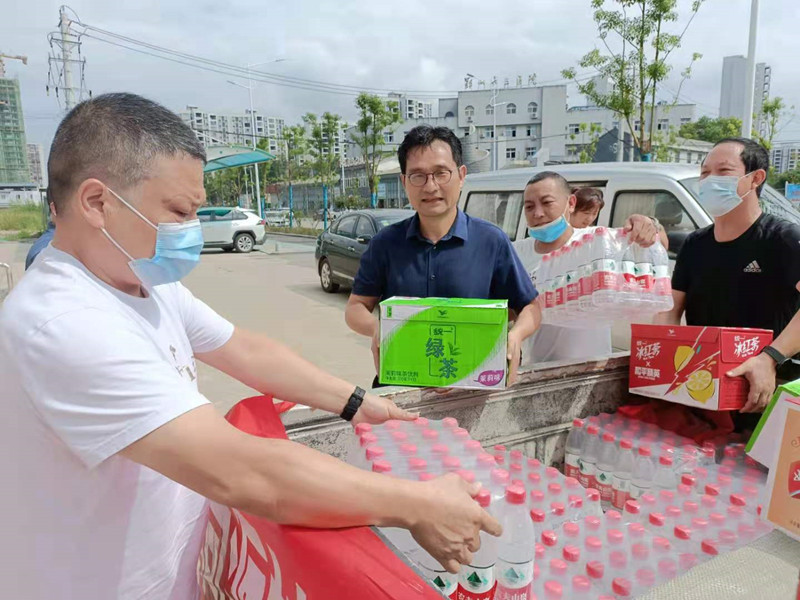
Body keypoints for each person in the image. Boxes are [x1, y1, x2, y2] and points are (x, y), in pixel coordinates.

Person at [0, 94, 501, 599]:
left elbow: (245, 351)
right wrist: (418, 503)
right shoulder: (64, 324)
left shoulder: (142, 283)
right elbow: (245, 472)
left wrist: (355, 402)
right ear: (96, 202)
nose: (191, 231)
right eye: (178, 212)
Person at [345, 125, 541, 387]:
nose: (431, 186)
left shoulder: (491, 241)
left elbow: (530, 308)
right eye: (418, 176)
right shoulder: (385, 243)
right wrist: (378, 329)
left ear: (461, 175)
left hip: (471, 386)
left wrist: (515, 336)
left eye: (440, 173)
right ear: (404, 182)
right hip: (402, 387)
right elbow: (355, 307)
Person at [656, 137, 800, 418]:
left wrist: (770, 358)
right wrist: (663, 354)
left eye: (723, 171)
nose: (710, 181)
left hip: (768, 391)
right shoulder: (695, 244)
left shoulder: (784, 239)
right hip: (704, 389)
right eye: (705, 173)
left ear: (755, 178)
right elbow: (670, 311)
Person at [513, 171, 666, 364]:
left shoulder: (596, 242)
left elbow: (654, 245)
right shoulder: (517, 253)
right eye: (529, 207)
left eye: (547, 202)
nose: (538, 213)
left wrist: (648, 224)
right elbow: (508, 310)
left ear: (570, 203)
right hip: (537, 369)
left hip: (593, 369)